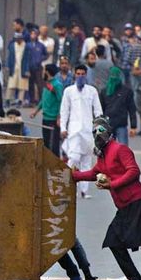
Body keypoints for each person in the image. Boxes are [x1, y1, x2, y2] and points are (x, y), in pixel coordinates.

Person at [72, 116, 141, 280]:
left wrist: (112, 184)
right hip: (123, 206)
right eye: (94, 133)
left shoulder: (120, 149)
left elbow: (134, 171)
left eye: (99, 132)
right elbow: (93, 173)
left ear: (107, 133)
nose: (96, 136)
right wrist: (73, 176)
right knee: (113, 241)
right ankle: (136, 279)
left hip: (138, 202)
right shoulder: (103, 156)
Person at [60, 64, 103, 199]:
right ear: (74, 75)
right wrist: (63, 128)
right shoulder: (69, 91)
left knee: (86, 161)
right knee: (73, 158)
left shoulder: (92, 91)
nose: (80, 76)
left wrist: (100, 130)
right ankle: (66, 186)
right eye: (78, 74)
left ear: (86, 75)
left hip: (88, 132)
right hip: (74, 132)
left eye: (82, 74)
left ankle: (84, 191)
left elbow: (98, 111)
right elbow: (64, 111)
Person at [99, 67, 137, 145]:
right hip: (108, 125)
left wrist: (133, 126)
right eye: (112, 75)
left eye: (116, 75)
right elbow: (100, 110)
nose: (114, 77)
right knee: (108, 150)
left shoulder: (127, 91)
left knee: (123, 149)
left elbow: (132, 109)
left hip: (121, 124)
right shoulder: (104, 91)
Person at [31, 64, 63, 156]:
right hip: (45, 118)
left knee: (54, 146)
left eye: (44, 70)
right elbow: (43, 100)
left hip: (53, 120)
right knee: (46, 144)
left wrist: (59, 117)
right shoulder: (47, 84)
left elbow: (61, 101)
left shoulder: (57, 85)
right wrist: (36, 112)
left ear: (47, 72)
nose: (42, 73)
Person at [5, 32, 31, 106]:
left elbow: (28, 59)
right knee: (11, 85)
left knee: (22, 86)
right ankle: (7, 100)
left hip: (23, 68)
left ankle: (20, 101)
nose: (18, 40)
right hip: (14, 67)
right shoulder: (12, 45)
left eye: (19, 39)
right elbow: (9, 57)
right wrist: (7, 65)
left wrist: (27, 70)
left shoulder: (26, 46)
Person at [28, 28, 48, 105]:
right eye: (32, 34)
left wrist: (40, 59)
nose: (33, 36)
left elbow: (46, 54)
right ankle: (32, 100)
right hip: (30, 67)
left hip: (38, 67)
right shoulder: (28, 45)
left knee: (40, 84)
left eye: (35, 34)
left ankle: (41, 100)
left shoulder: (41, 45)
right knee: (30, 85)